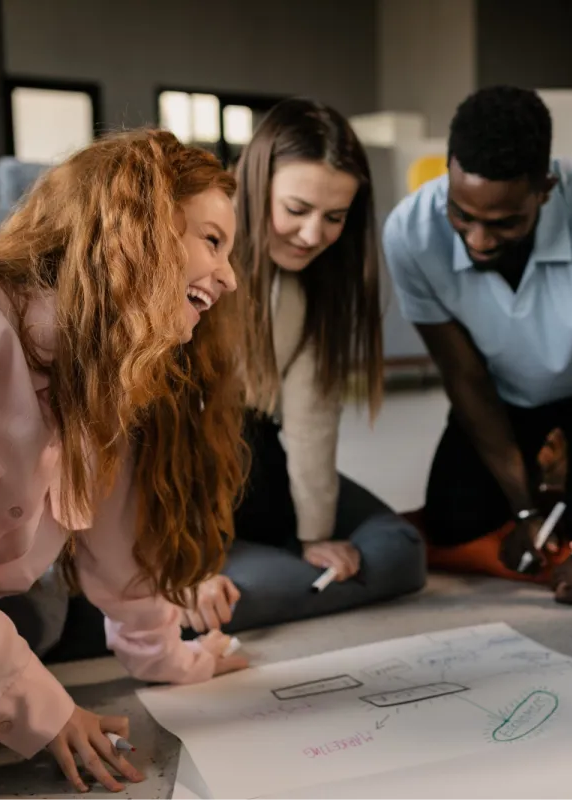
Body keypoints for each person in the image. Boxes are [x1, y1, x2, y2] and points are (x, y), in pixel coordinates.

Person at [0, 130, 249, 793]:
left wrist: (172, 659)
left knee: (34, 621)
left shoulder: (105, 369)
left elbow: (117, 551)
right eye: (212, 241)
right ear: (135, 227)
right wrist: (47, 714)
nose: (230, 277)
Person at [382, 85, 572, 605]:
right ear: (448, 171)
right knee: (453, 521)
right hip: (500, 392)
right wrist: (524, 511)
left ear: (545, 188)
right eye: (462, 215)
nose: (478, 239)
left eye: (504, 222)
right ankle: (547, 478)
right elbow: (465, 378)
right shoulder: (409, 233)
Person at [165, 98, 426, 636]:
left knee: (398, 551)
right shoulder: (183, 254)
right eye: (297, 209)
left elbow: (312, 420)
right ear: (254, 184)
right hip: (168, 465)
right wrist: (186, 559)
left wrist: (315, 535)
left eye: (334, 218)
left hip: (248, 457)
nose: (312, 235)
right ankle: (154, 599)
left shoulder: (310, 288)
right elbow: (153, 432)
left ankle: (229, 581)